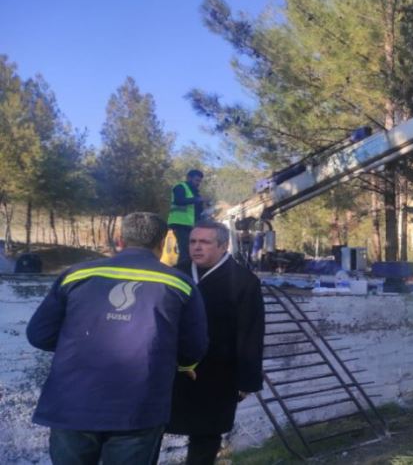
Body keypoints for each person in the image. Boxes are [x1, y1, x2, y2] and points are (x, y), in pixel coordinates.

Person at [26, 212, 208, 465]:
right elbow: (194, 347)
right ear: (161, 244)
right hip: (138, 408)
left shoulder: (75, 275)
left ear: (119, 239)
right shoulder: (181, 284)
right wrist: (184, 365)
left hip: (72, 402)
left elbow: (39, 335)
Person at [157, 221, 265, 465]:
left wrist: (248, 379)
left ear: (223, 246)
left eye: (204, 242)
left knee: (206, 434)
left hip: (218, 372)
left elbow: (250, 333)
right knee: (154, 429)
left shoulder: (243, 281)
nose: (196, 247)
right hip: (172, 371)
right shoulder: (176, 275)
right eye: (193, 242)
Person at [168, 169, 207, 266]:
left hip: (190, 225)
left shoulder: (194, 192)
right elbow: (179, 200)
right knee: (185, 251)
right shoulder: (180, 187)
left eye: (200, 181)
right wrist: (197, 199)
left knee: (190, 251)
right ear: (189, 178)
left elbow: (196, 210)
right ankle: (183, 273)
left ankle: (189, 271)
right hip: (180, 224)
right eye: (197, 180)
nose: (198, 183)